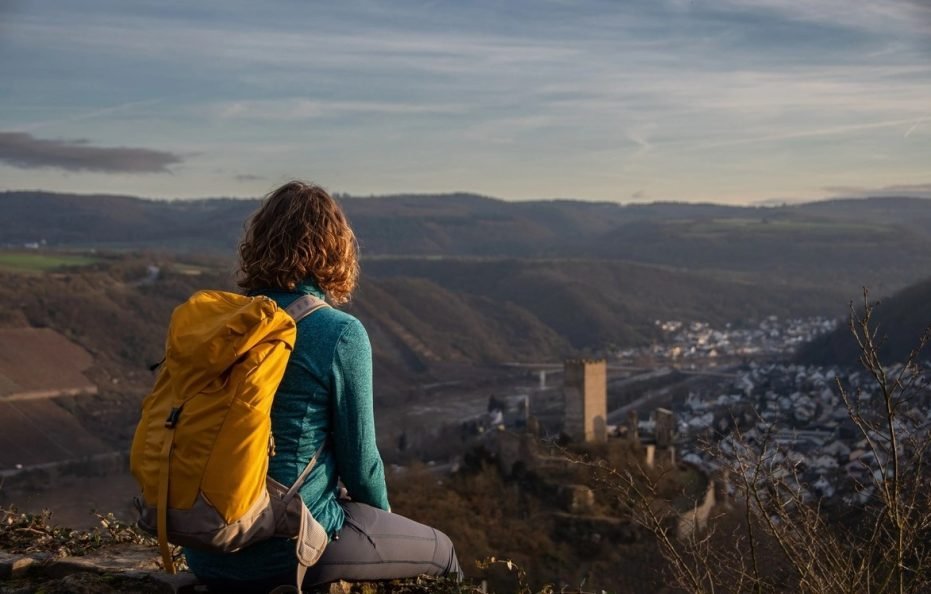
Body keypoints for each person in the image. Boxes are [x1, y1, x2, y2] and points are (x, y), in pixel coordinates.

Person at [184, 181, 461, 592]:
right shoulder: (337, 332)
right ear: (335, 250)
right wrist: (379, 523)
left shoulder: (222, 324)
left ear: (257, 244)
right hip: (289, 550)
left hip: (205, 545)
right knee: (444, 554)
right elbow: (361, 465)